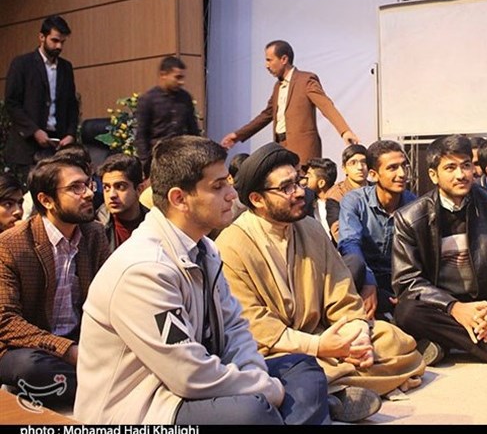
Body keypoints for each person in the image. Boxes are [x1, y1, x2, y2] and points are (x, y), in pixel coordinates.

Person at [74, 136, 331, 425]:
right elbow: (187, 374)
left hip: (195, 386)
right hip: (144, 408)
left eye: (228, 183)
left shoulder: (205, 248)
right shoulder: (143, 269)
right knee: (252, 412)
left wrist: (257, 378)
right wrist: (266, 391)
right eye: (218, 187)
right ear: (179, 199)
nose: (232, 195)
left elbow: (235, 327)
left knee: (302, 368)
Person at [216, 143, 426, 423]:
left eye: (298, 182)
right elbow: (255, 325)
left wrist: (357, 338)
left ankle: (329, 391)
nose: (299, 192)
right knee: (277, 370)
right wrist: (319, 347)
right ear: (257, 199)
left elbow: (342, 294)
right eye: (286, 187)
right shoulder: (230, 245)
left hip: (324, 336)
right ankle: (334, 391)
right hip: (274, 350)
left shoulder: (310, 228)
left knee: (393, 340)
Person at [392, 134, 487, 366]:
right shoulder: (410, 217)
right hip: (442, 308)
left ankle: (448, 342)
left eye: (466, 165)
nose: (461, 175)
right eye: (450, 168)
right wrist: (455, 308)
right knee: (407, 313)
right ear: (433, 175)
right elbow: (407, 280)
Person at [0, 152, 110, 412]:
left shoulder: (94, 234)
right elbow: (6, 322)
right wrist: (68, 351)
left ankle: (99, 385)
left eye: (87, 184)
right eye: (75, 188)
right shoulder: (12, 244)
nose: (88, 194)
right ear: (46, 200)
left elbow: (110, 298)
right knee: (31, 368)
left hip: (82, 341)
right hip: (28, 348)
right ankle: (105, 389)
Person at [220, 40, 359, 167]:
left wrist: (344, 131)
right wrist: (237, 135)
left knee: (302, 183)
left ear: (284, 59)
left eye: (269, 60)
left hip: (303, 150)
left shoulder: (305, 80)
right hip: (281, 147)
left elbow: (325, 105)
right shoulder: (278, 86)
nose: (266, 65)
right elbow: (266, 115)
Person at [337, 140, 416, 320]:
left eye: (404, 166)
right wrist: (369, 281)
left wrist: (407, 291)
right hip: (363, 277)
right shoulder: (355, 201)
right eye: (392, 168)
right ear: (373, 174)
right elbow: (349, 244)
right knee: (354, 264)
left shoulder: (414, 204)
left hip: (397, 281)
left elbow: (418, 255)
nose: (402, 174)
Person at [4, 15, 79, 185]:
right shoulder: (22, 64)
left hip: (57, 145)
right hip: (27, 146)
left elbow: (72, 105)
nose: (59, 46)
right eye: (55, 40)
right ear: (42, 37)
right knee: (29, 193)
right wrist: (34, 131)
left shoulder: (66, 67)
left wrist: (70, 134)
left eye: (62, 42)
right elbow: (12, 103)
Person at [134, 56, 201, 177]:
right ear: (163, 75)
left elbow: (193, 129)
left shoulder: (185, 98)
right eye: (177, 77)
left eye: (182, 78)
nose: (181, 82)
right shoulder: (148, 99)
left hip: (182, 156)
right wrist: (145, 164)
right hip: (158, 158)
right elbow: (142, 135)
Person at [94, 153, 149, 252]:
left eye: (120, 187)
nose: (112, 195)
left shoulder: (156, 224)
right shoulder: (96, 227)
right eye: (106, 187)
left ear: (139, 189)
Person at [325, 143, 368, 243]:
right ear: (344, 168)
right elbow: (338, 232)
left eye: (364, 162)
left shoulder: (377, 189)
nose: (360, 167)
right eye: (353, 163)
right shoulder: (336, 195)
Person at [304, 157, 338, 242]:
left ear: (321, 183)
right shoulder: (309, 202)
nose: (305, 177)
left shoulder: (338, 203)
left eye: (309, 175)